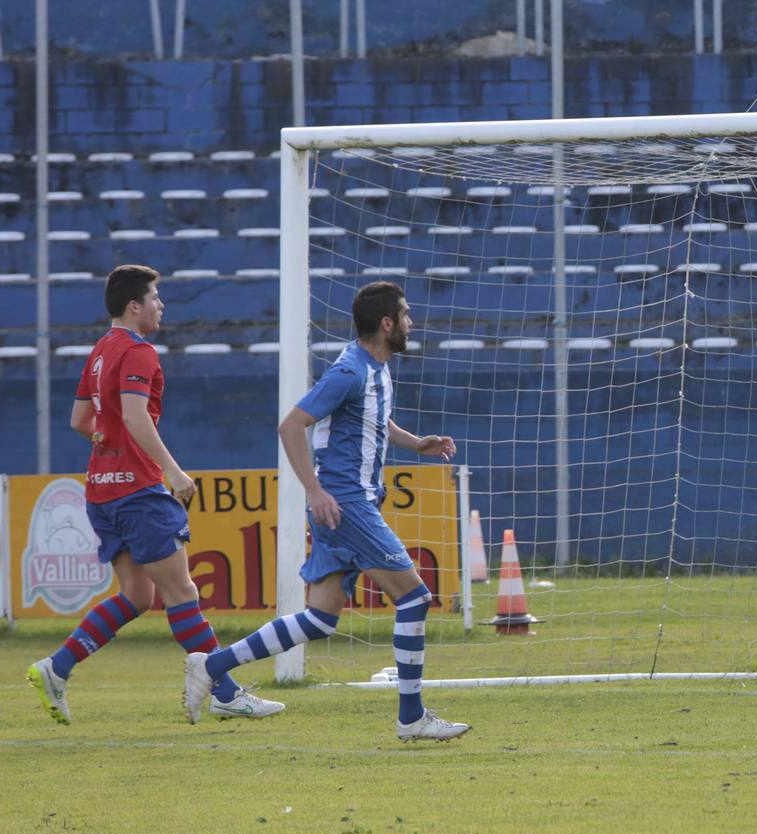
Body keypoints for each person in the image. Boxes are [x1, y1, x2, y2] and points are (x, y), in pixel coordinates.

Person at [186, 281, 469, 740]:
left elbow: (374, 418)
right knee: (415, 597)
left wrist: (416, 442)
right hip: (347, 501)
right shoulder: (349, 371)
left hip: (346, 503)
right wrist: (314, 491)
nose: (413, 322)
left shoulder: (374, 367)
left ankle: (213, 665)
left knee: (320, 619)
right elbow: (291, 425)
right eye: (407, 314)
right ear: (387, 323)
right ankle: (412, 717)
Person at [27, 265, 282, 724]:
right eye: (156, 297)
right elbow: (134, 416)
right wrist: (173, 471)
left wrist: (113, 446)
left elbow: (81, 423)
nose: (161, 305)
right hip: (138, 492)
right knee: (182, 590)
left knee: (139, 595)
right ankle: (224, 690)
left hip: (101, 491)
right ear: (134, 306)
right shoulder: (139, 351)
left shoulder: (100, 352)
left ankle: (56, 668)